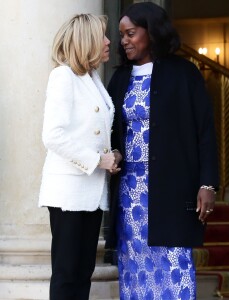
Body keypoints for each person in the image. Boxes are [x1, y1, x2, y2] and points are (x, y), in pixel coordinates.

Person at [105, 2, 219, 299]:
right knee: (134, 270)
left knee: (174, 266)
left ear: (151, 32)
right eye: (121, 35)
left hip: (172, 190)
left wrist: (207, 183)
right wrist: (112, 152)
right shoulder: (119, 78)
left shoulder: (185, 74)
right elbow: (108, 131)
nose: (124, 41)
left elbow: (205, 132)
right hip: (130, 195)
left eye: (130, 33)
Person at [38, 14, 122, 300]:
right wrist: (99, 161)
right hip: (69, 193)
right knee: (67, 274)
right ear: (87, 41)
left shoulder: (91, 78)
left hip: (91, 192)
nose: (110, 41)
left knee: (82, 273)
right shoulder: (63, 76)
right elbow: (53, 136)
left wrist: (111, 155)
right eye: (103, 36)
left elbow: (92, 132)